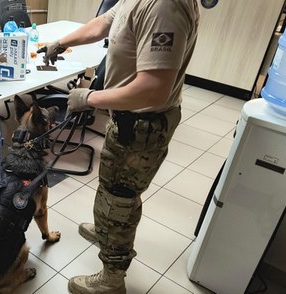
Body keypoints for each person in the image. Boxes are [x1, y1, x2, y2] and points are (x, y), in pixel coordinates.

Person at [38, 1, 200, 293]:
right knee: (112, 190)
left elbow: (154, 87)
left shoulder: (164, 5)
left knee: (119, 202)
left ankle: (111, 279)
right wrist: (60, 43)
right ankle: (106, 232)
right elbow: (104, 23)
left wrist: (88, 99)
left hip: (142, 124)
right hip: (128, 118)